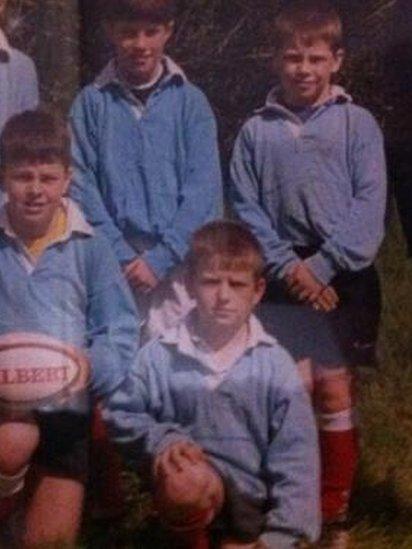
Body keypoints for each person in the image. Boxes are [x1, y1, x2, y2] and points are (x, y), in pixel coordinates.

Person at [229, 1, 387, 545]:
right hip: (279, 271)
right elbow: (245, 206)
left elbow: (370, 204)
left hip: (343, 269)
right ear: (275, 61)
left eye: (315, 58)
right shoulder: (255, 130)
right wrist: (289, 269)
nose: (303, 69)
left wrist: (321, 266)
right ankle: (291, 504)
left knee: (334, 387)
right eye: (292, 57)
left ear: (336, 60)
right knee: (290, 387)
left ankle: (335, 511)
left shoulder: (356, 122)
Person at [102, 220, 320, 549]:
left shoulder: (275, 365)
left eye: (236, 284)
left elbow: (297, 458)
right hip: (193, 486)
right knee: (183, 482)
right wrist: (162, 440)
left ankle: (250, 538)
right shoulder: (160, 355)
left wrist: (283, 536)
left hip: (255, 501)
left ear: (258, 291)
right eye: (210, 282)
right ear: (190, 285)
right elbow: (120, 414)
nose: (223, 297)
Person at [0, 110, 138, 547]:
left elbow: (119, 328)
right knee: (13, 442)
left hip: (67, 411)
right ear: (4, 177)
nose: (36, 190)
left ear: (67, 179)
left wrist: (89, 365)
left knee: (49, 544)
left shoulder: (90, 247)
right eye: (23, 177)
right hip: (4, 410)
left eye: (47, 177)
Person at [69, 0, 222, 339]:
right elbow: (81, 189)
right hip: (113, 266)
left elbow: (203, 192)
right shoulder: (91, 105)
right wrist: (121, 256)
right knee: (118, 375)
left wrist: (161, 259)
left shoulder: (191, 103)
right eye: (128, 33)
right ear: (110, 31)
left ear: (168, 30)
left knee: (180, 374)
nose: (140, 44)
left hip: (180, 267)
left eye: (150, 32)